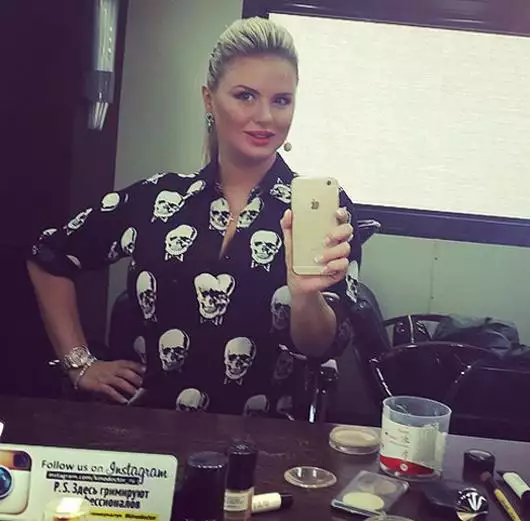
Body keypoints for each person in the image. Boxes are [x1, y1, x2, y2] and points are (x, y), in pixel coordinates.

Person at [27, 17, 361, 417]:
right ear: (208, 99)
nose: (266, 117)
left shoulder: (322, 211)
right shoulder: (157, 200)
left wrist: (305, 296)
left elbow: (321, 347)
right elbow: (50, 255)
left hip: (267, 440)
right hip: (150, 433)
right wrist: (79, 364)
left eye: (281, 100)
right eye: (245, 96)